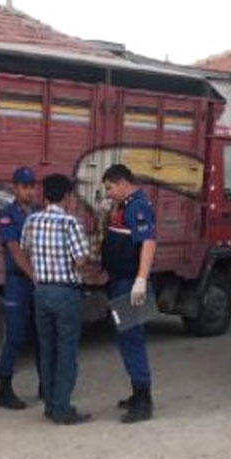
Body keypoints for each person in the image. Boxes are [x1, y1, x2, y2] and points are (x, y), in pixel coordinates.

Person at [21, 174, 91, 425]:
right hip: (65, 292)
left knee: (46, 350)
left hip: (41, 292)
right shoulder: (70, 223)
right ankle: (62, 407)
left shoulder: (32, 221)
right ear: (67, 197)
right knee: (66, 351)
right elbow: (82, 258)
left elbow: (26, 249)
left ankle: (50, 404)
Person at [101, 164, 156, 424]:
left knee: (132, 339)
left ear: (123, 183)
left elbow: (148, 242)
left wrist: (141, 280)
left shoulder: (138, 206)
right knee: (125, 339)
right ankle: (137, 392)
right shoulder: (124, 206)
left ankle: (144, 400)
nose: (108, 194)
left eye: (110, 188)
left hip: (129, 283)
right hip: (118, 281)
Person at [0, 166, 41, 410]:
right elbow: (14, 248)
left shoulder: (39, 213)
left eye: (32, 186)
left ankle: (46, 386)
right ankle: (4, 389)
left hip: (37, 282)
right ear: (15, 187)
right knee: (14, 336)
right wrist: (33, 274)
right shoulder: (7, 214)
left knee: (42, 334)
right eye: (25, 186)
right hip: (17, 282)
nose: (30, 190)